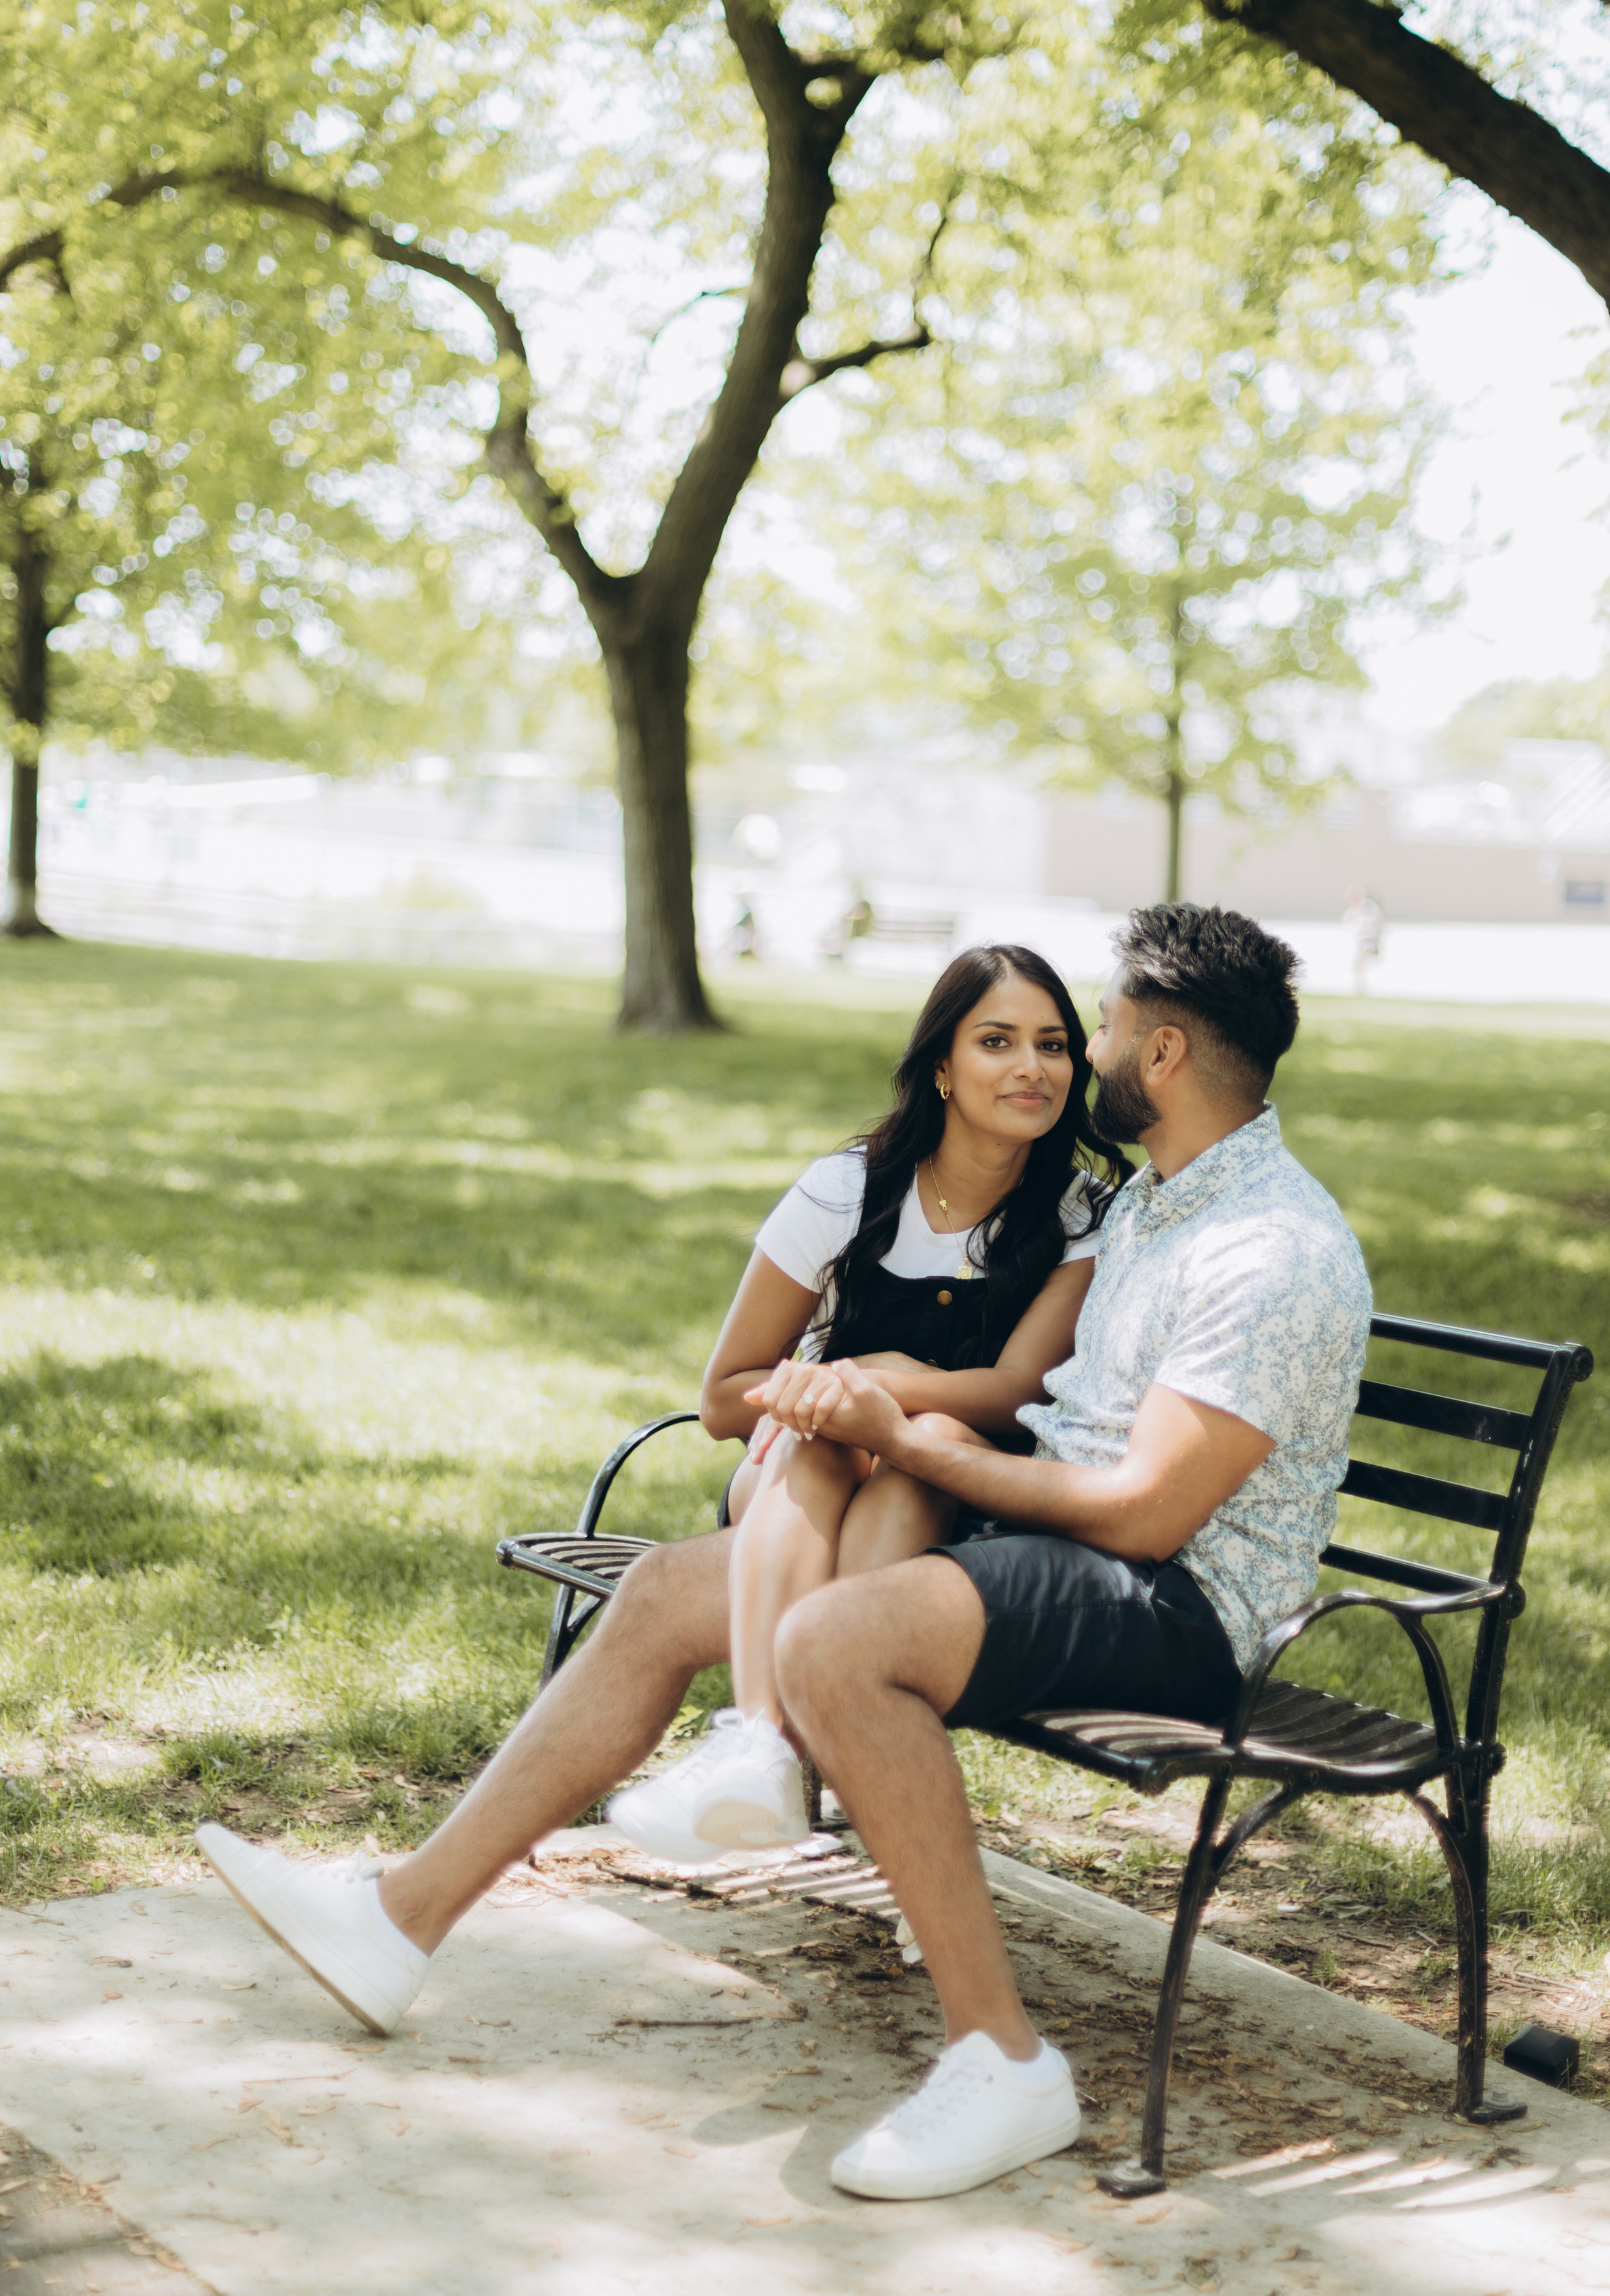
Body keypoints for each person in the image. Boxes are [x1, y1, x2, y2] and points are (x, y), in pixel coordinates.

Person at [194, 903, 1372, 2207]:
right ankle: (392, 1921)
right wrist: (890, 1431)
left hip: (1177, 1606)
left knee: (836, 1643)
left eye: (1094, 1028)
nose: (1081, 1054)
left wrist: (908, 1440)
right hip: (1050, 1533)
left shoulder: (1270, 1248)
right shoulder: (1155, 1202)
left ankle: (1003, 2061)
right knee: (658, 1595)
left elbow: (1148, 1515)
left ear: (1156, 1055)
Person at [606, 943, 1130, 1863]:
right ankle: (770, 1748)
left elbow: (1013, 1395)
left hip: (949, 1489)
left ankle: (808, 1774)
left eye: (1052, 1045)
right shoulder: (846, 1189)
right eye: (996, 1041)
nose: (1029, 1068)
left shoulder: (1082, 1213)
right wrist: (822, 1402)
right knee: (823, 1446)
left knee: (922, 1445)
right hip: (796, 1479)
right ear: (942, 1066)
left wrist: (874, 1378)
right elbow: (727, 1398)